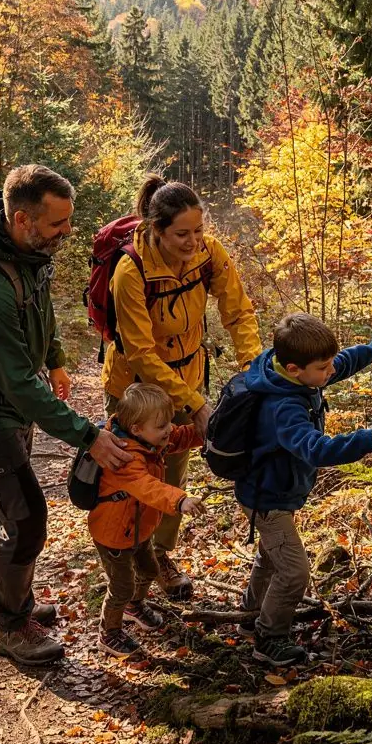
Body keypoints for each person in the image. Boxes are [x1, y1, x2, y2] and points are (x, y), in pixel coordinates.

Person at [0, 165, 132, 668]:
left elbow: (39, 307)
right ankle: (12, 625)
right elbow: (19, 386)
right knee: (26, 520)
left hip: (2, 404)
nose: (67, 231)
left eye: (68, 220)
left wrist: (56, 358)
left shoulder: (24, 251)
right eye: (57, 223)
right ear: (22, 219)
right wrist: (86, 435)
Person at [103, 176, 261, 602]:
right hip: (135, 389)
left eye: (198, 230)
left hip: (187, 375)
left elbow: (238, 312)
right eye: (182, 234)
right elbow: (140, 352)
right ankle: (122, 566)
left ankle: (159, 556)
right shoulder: (130, 270)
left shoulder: (209, 254)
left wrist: (255, 370)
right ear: (157, 229)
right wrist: (195, 404)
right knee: (130, 477)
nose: (193, 241)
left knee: (173, 471)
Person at [234, 312, 372, 668]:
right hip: (267, 500)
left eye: (328, 364)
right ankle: (269, 638)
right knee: (294, 572)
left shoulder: (293, 376)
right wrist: (370, 438)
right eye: (322, 367)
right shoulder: (284, 406)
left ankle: (250, 617)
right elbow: (316, 449)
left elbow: (342, 363)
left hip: (273, 492)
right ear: (295, 369)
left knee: (271, 557)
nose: (331, 371)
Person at [88, 383, 206, 658]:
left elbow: (181, 436)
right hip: (114, 535)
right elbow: (147, 487)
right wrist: (180, 500)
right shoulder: (124, 457)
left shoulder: (150, 439)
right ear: (137, 429)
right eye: (162, 425)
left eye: (169, 422)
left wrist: (206, 429)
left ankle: (134, 606)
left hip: (138, 530)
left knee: (149, 570)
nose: (169, 429)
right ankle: (109, 632)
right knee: (121, 586)